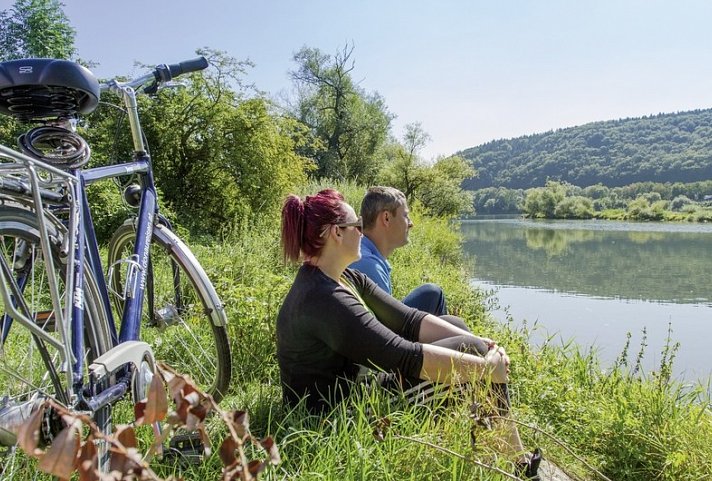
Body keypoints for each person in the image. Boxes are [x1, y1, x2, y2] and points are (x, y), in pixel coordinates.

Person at [276, 189, 541, 479]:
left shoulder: (343, 276)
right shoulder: (324, 299)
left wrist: (484, 342)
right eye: (358, 227)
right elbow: (402, 356)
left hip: (359, 384)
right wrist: (486, 366)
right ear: (336, 234)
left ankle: (492, 439)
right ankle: (518, 463)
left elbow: (409, 320)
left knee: (461, 330)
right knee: (475, 357)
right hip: (340, 413)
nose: (363, 234)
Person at [349, 186, 449, 316]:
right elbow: (383, 330)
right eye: (406, 215)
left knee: (431, 294)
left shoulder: (364, 252)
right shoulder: (368, 264)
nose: (411, 223)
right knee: (432, 293)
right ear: (386, 218)